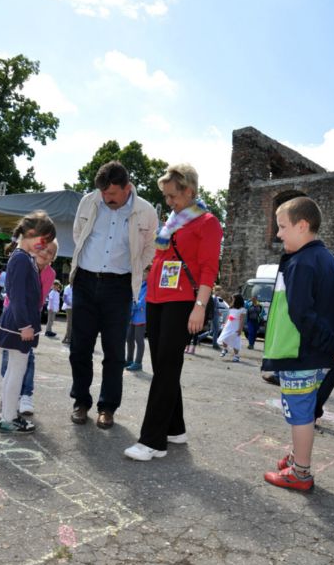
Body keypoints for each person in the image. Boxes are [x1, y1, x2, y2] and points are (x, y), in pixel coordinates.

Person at [124, 163, 222, 461]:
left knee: (165, 368)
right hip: (155, 299)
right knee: (166, 367)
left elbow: (208, 270)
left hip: (182, 303)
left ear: (188, 191)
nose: (168, 202)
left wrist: (200, 307)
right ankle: (175, 428)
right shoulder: (173, 222)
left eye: (172, 196)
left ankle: (152, 441)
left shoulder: (207, 222)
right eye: (165, 196)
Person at [69, 160, 158, 430]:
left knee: (115, 352)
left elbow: (150, 247)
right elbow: (77, 234)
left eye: (112, 195)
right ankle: (81, 402)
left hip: (119, 287)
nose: (107, 199)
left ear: (127, 188)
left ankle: (107, 408)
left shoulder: (146, 211)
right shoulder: (89, 201)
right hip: (85, 280)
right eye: (103, 194)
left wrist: (134, 270)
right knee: (79, 348)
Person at [262, 196, 334, 491]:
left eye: (283, 226)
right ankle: (298, 456)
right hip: (322, 355)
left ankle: (301, 472)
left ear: (303, 225)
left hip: (303, 353)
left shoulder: (301, 263)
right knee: (306, 410)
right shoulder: (329, 262)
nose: (279, 233)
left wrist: (333, 346)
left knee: (300, 413)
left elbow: (301, 314)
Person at [0, 210, 56, 433]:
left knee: (14, 370)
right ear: (31, 233)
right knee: (16, 371)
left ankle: (7, 414)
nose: (44, 246)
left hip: (17, 323)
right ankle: (9, 417)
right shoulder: (21, 259)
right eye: (44, 240)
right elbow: (18, 296)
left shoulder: (24, 258)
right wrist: (25, 326)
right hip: (19, 325)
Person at [125, 267, 149, 371]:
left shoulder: (148, 286)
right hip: (132, 316)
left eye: (145, 272)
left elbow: (142, 302)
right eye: (141, 271)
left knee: (139, 340)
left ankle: (138, 363)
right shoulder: (136, 285)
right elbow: (132, 299)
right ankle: (129, 360)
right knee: (129, 338)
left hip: (141, 317)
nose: (143, 274)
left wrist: (133, 304)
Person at [217, 293, 245, 363]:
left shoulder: (242, 309)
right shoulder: (231, 307)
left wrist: (240, 329)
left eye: (234, 299)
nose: (233, 300)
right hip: (229, 324)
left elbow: (242, 320)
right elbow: (229, 316)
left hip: (236, 325)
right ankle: (225, 349)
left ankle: (236, 356)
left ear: (238, 300)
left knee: (235, 340)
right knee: (224, 337)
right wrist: (225, 323)